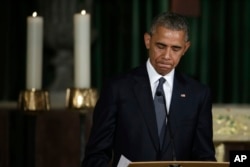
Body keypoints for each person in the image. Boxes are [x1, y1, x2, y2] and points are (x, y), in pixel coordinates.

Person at [82, 11, 216, 167]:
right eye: (161, 46)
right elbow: (95, 155)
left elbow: (205, 157)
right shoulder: (118, 88)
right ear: (148, 40)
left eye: (175, 49)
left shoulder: (198, 94)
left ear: (185, 48)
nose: (167, 56)